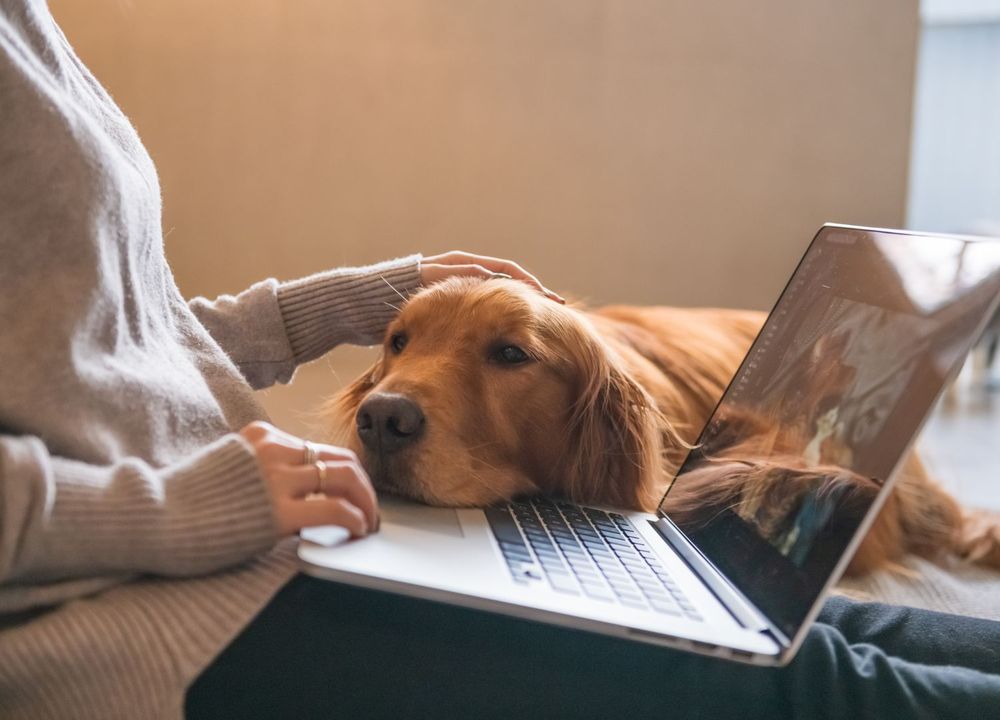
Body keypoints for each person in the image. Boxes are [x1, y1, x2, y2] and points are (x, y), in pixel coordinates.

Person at [1, 1, 998, 718]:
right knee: (797, 689)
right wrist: (181, 510)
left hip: (240, 535)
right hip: (123, 607)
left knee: (811, 634)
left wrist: (340, 304)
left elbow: (95, 343)